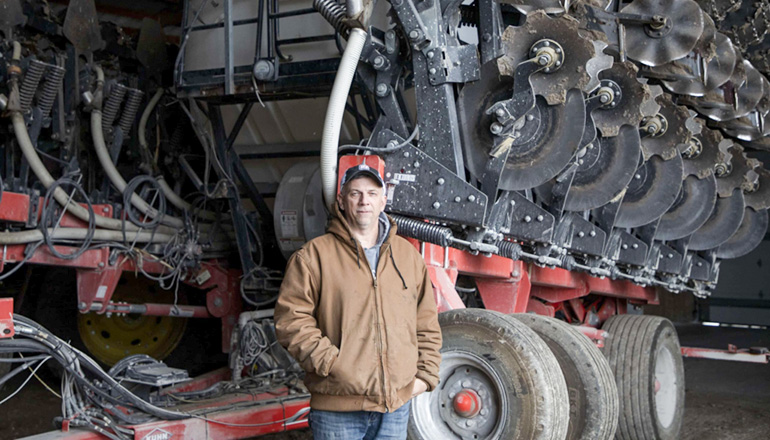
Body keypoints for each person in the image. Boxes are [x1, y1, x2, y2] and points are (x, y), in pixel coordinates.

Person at [274, 163, 442, 439]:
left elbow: (425, 321)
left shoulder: (407, 257)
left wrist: (425, 375)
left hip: (395, 408)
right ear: (341, 200)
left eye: (372, 193)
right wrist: (331, 364)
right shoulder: (313, 256)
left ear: (383, 200)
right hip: (337, 408)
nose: (364, 201)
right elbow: (291, 320)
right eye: (355, 194)